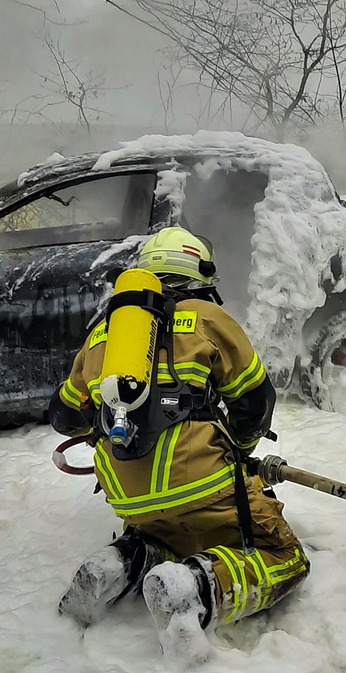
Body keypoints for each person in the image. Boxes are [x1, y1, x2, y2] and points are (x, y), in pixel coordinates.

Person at [48, 227, 309, 662]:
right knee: (284, 555)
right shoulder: (206, 319)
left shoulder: (103, 337)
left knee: (167, 536)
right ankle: (196, 589)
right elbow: (255, 401)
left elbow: (63, 415)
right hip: (204, 484)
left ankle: (123, 562)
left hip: (133, 501)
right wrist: (240, 452)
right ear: (197, 273)